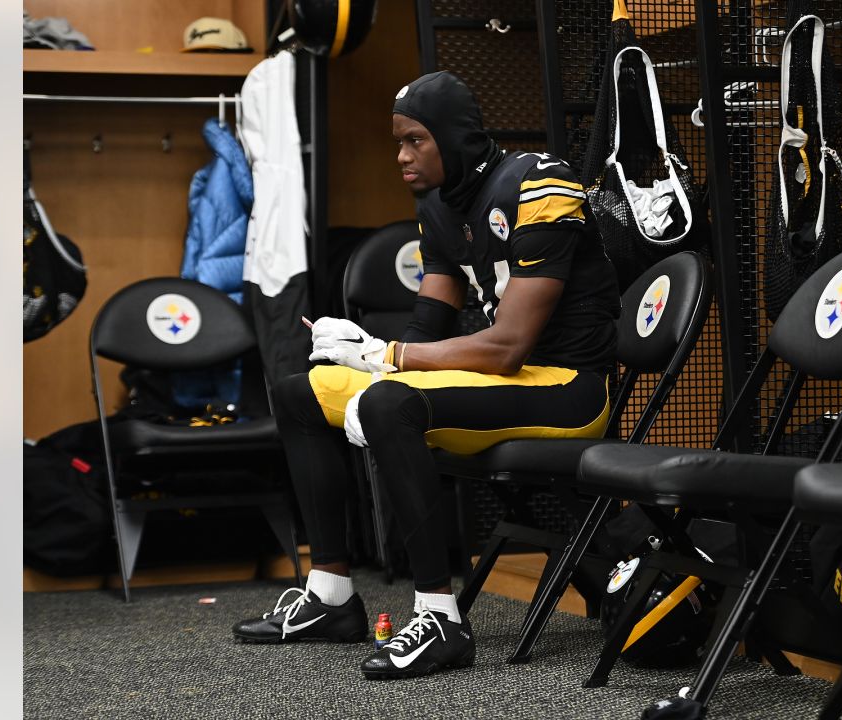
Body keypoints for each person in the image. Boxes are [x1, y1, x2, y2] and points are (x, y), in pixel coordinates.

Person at [231, 71, 621, 680]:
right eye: (398, 142)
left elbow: (509, 347)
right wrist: (356, 352)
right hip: (505, 382)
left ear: (453, 137)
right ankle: (331, 597)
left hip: (568, 387)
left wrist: (384, 358)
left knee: (390, 403)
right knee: (299, 393)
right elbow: (426, 327)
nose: (402, 156)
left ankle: (440, 617)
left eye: (415, 140)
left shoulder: (540, 181)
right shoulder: (438, 208)